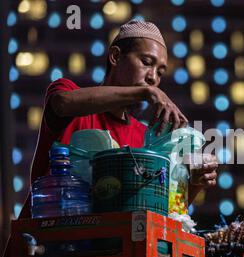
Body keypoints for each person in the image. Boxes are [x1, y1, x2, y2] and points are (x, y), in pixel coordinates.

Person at [18, 20, 218, 219]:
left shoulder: (145, 138)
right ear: (115, 56)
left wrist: (194, 183)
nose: (153, 78)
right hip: (44, 242)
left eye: (160, 72)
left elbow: (161, 212)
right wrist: (144, 92)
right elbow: (62, 104)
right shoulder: (70, 96)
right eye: (146, 62)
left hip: (103, 248)